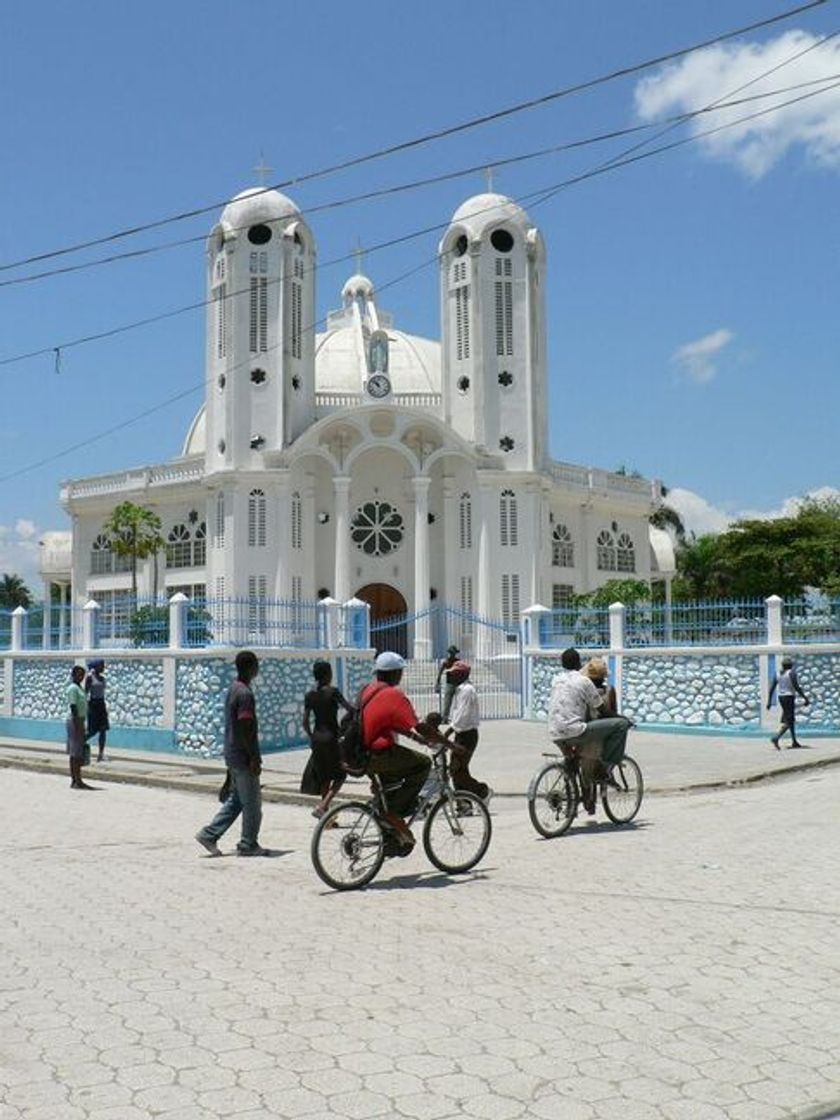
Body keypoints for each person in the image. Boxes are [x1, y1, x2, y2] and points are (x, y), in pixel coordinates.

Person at [195, 650, 269, 857]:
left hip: (232, 753)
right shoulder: (244, 694)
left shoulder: (233, 689)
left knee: (237, 800)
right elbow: (245, 726)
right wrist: (254, 757)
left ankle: (209, 835)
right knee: (252, 804)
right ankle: (248, 844)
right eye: (256, 665)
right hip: (243, 756)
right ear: (251, 667)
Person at [361, 651, 436, 850]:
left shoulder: (367, 690)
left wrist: (415, 738)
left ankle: (391, 838)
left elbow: (391, 722)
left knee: (389, 789)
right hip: (380, 754)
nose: (401, 676)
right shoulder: (393, 694)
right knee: (423, 764)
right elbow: (419, 725)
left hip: (360, 754)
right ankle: (393, 815)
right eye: (400, 672)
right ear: (394, 673)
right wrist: (449, 744)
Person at [547, 648, 632, 814]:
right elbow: (604, 711)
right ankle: (605, 769)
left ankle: (572, 797)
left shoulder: (556, 680)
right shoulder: (588, 684)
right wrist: (623, 719)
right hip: (578, 732)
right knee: (619, 727)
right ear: (579, 664)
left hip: (554, 731)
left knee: (571, 763)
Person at [301, 659, 353, 818]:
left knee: (324, 778)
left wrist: (311, 737)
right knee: (340, 775)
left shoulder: (310, 695)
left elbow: (305, 722)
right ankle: (323, 806)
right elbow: (349, 709)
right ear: (328, 674)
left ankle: (326, 817)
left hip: (317, 738)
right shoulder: (333, 692)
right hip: (331, 737)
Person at [443, 661, 491, 803]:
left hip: (467, 735)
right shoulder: (460, 690)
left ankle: (482, 791)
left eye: (454, 674)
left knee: (456, 770)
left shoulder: (467, 690)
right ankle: (464, 804)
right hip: (462, 734)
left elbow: (462, 716)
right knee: (458, 770)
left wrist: (447, 733)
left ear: (462, 675)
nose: (451, 677)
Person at [767, 656, 810, 749]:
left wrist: (769, 701)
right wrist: (805, 698)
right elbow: (796, 687)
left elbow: (772, 688)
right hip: (789, 697)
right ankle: (776, 737)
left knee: (789, 718)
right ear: (790, 666)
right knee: (790, 720)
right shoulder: (791, 673)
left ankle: (794, 741)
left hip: (781, 697)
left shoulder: (777, 674)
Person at [66, 665, 93, 790]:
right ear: (73, 675)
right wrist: (79, 725)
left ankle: (75, 780)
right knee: (76, 753)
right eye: (79, 674)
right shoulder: (72, 688)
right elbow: (73, 707)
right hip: (75, 721)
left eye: (82, 675)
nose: (81, 677)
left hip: (79, 720)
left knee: (75, 752)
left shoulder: (79, 688)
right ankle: (77, 780)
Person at [85, 659, 110, 763]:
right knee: (92, 730)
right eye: (101, 665)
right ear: (96, 667)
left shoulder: (103, 678)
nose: (103, 667)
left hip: (101, 704)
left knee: (103, 730)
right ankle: (79, 743)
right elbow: (86, 692)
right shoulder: (90, 678)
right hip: (93, 704)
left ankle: (101, 753)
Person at [435, 645, 460, 720]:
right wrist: (438, 681)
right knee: (447, 702)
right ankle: (445, 718)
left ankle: (458, 717)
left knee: (460, 702)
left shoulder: (458, 661)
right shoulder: (446, 662)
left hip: (458, 683)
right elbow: (440, 672)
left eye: (453, 653)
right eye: (451, 652)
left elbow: (462, 671)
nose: (452, 654)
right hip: (450, 683)